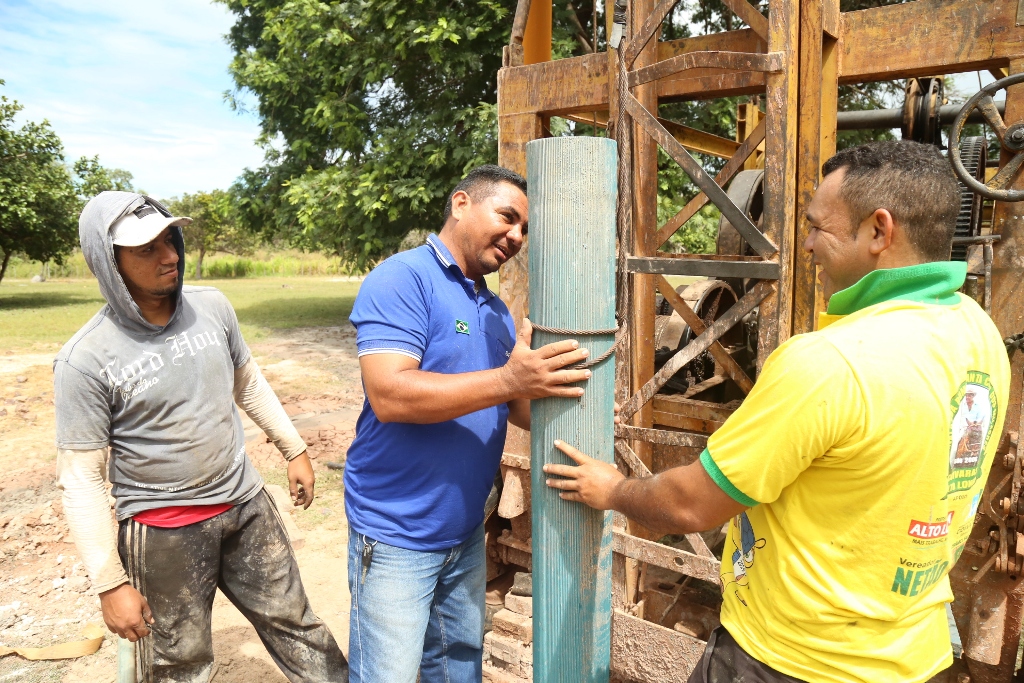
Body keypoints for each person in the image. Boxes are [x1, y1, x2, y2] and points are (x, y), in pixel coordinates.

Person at [543, 141, 1011, 683]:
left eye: (817, 226)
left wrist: (612, 490)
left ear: (879, 231)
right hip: (914, 656)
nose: (806, 244)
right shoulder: (977, 332)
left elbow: (692, 505)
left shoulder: (831, 364)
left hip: (789, 660)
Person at [54, 192, 348, 682]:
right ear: (108, 262)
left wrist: (294, 448)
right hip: (165, 530)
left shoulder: (212, 306)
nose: (169, 255)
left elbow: (247, 383)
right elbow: (81, 479)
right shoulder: (85, 359)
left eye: (170, 239)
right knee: (179, 664)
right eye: (146, 248)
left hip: (246, 506)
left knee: (297, 625)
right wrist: (110, 584)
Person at [345, 164, 594, 682]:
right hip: (397, 531)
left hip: (462, 532)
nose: (516, 237)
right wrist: (509, 380)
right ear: (461, 203)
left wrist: (572, 400)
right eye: (507, 217)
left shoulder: (493, 309)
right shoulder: (403, 278)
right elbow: (390, 394)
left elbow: (513, 403)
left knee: (459, 668)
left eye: (524, 229)